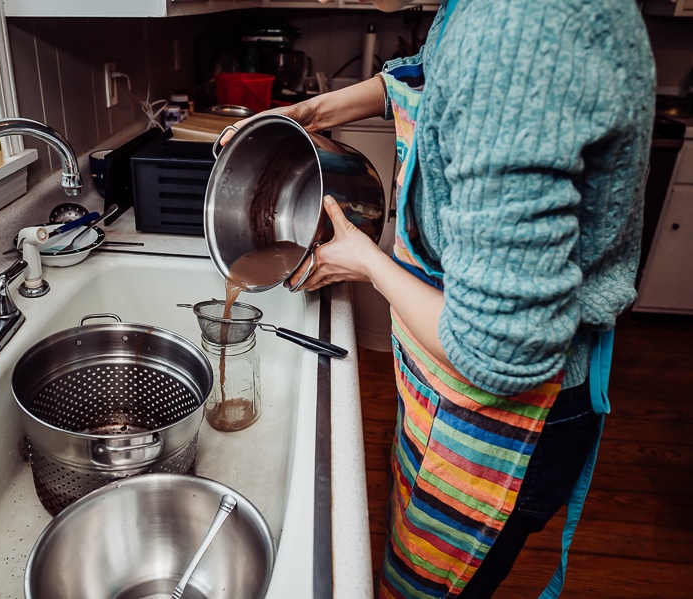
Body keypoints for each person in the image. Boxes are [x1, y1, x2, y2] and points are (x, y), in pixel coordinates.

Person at [223, 0, 655, 597]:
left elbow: (498, 351)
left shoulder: (520, 28)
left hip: (500, 417)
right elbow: (435, 66)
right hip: (439, 384)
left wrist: (368, 262)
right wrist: (316, 110)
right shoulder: (481, 14)